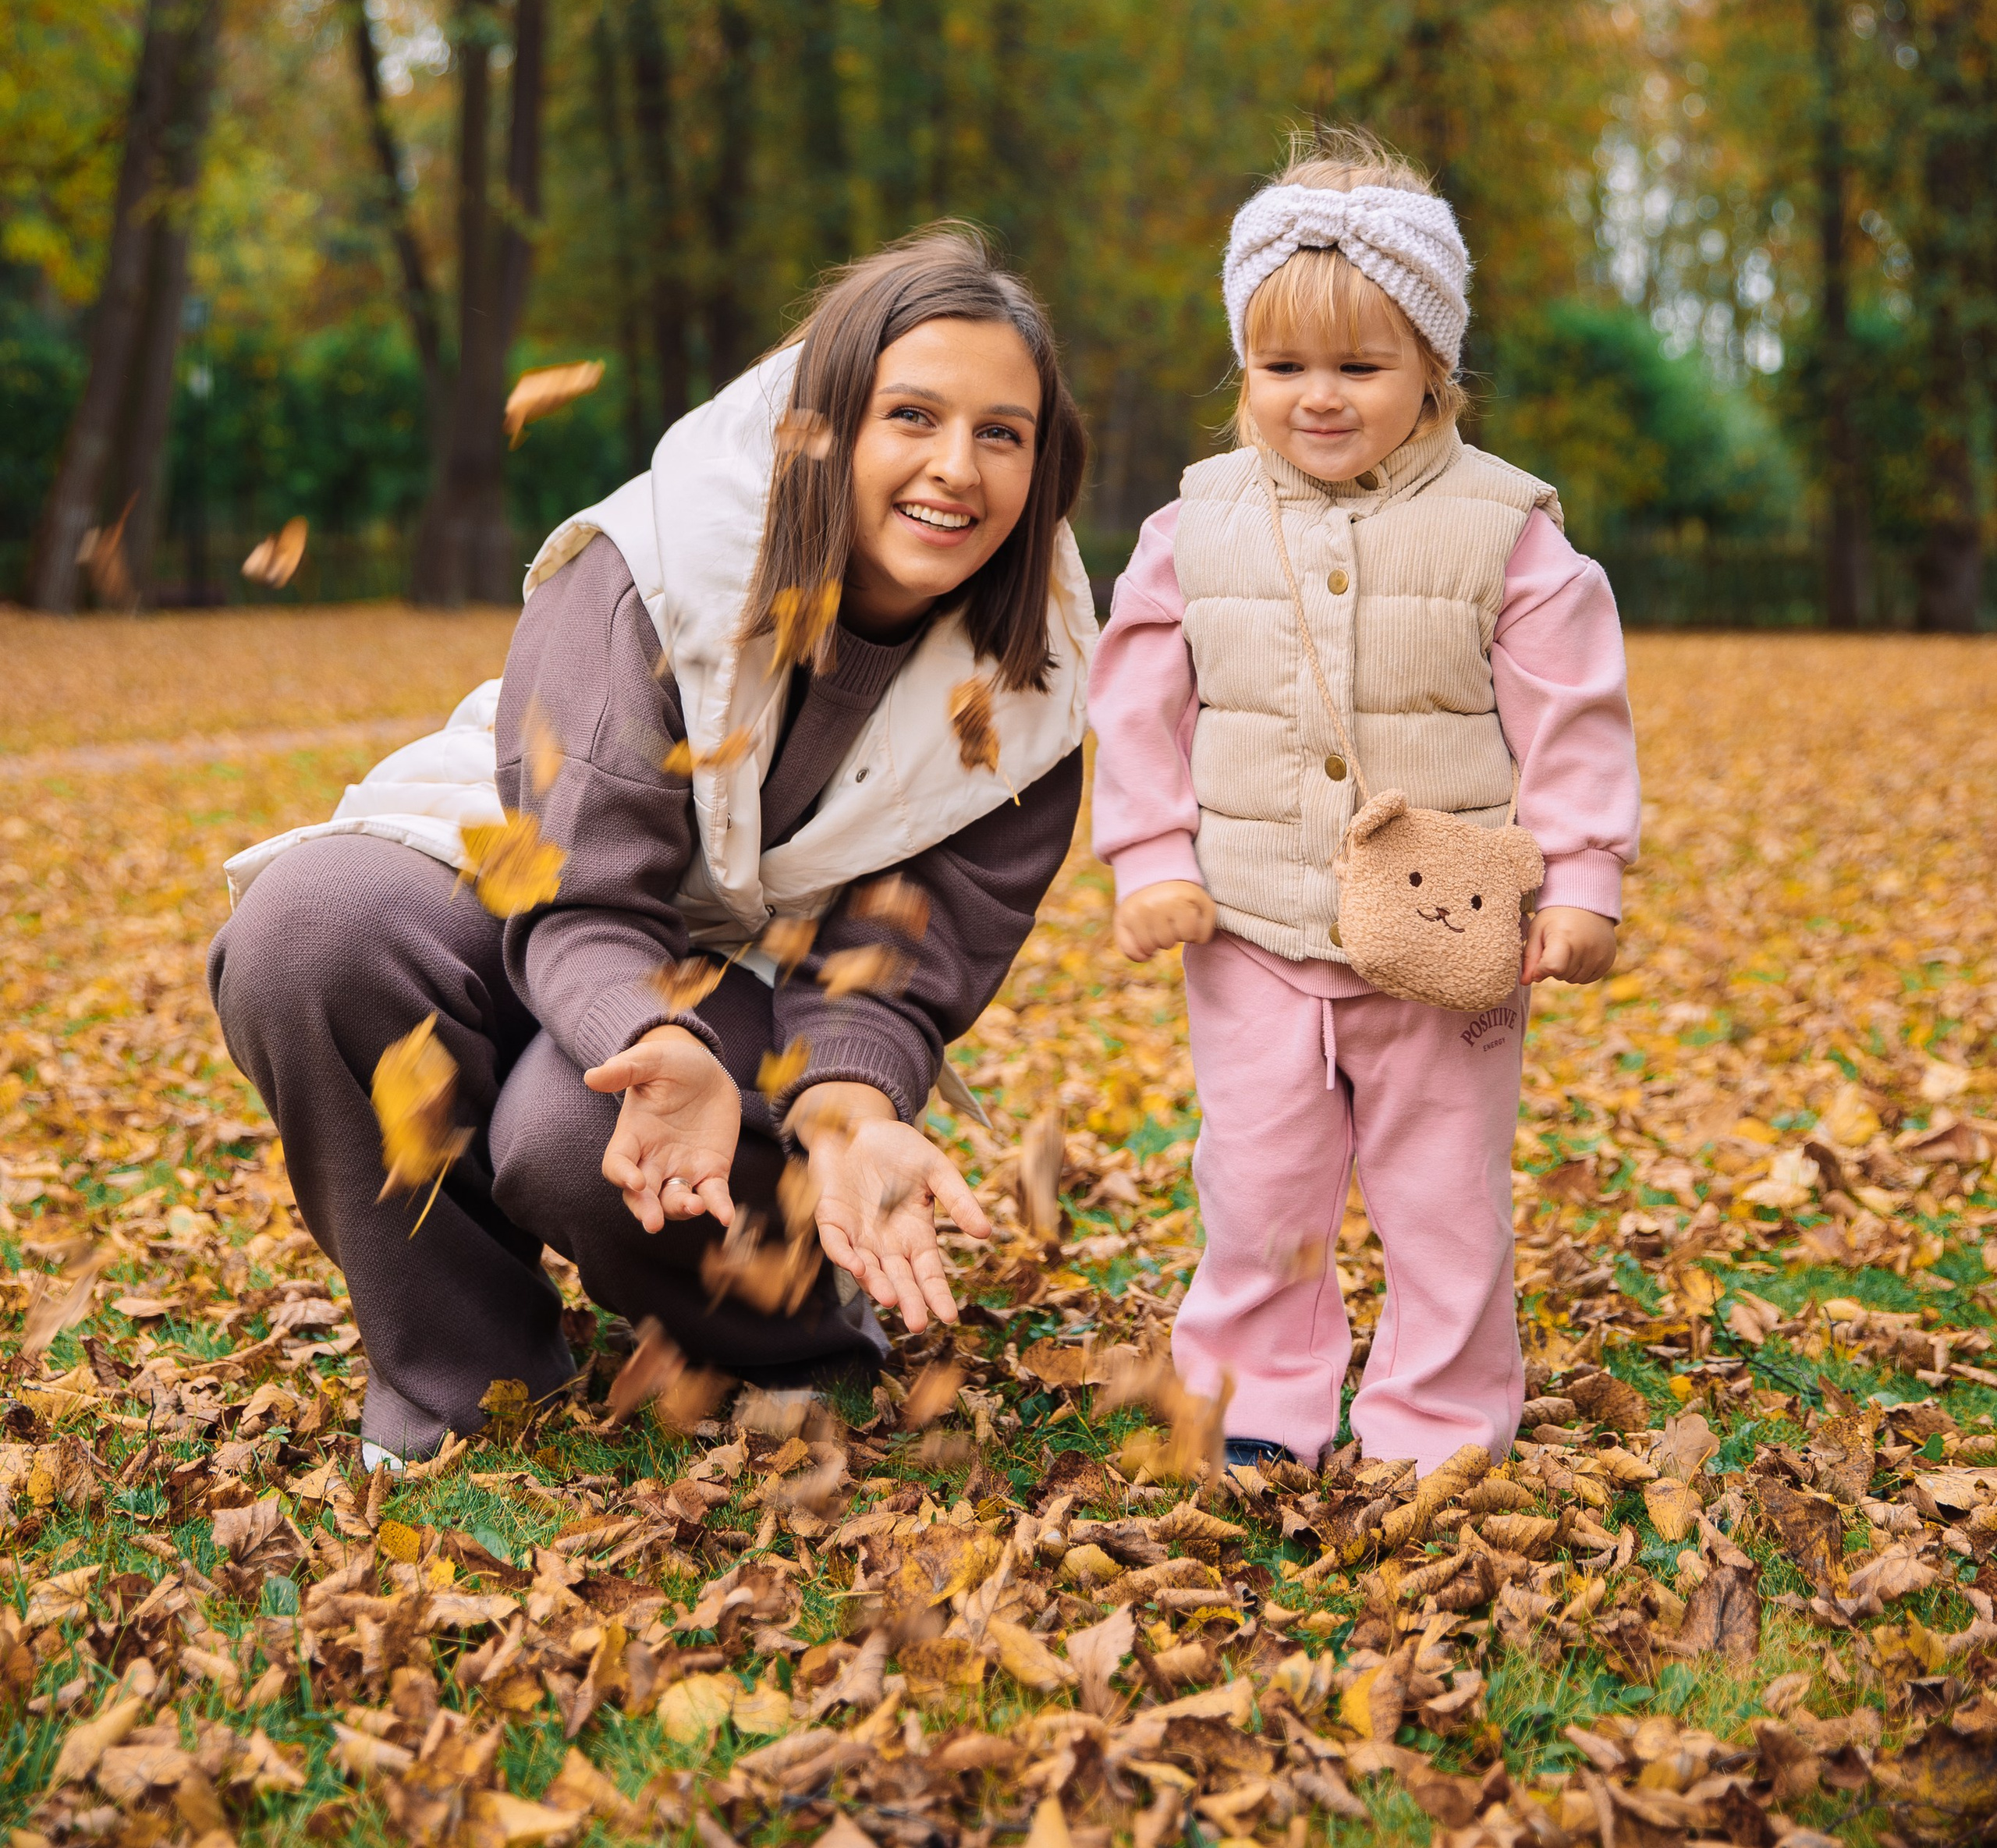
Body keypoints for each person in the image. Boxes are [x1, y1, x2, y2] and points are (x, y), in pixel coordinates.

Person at [211, 232, 1093, 1467]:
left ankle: (798, 1324)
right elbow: (578, 897)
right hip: (556, 884)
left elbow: (891, 976)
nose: (957, 468)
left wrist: (847, 1120)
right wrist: (652, 1039)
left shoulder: (1035, 690)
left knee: (569, 1138)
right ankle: (459, 1373)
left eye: (1003, 433)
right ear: (824, 424)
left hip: (767, 986)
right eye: (913, 416)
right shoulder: (655, 568)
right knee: (312, 928)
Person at [1087, 133, 1640, 1474]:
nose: (1317, 399)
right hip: (1254, 926)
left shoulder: (1510, 534)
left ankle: (1438, 1417)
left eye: (1360, 367)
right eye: (1282, 369)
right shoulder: (1192, 527)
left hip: (1449, 938)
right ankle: (1257, 1399)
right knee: (1259, 1179)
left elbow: (1570, 721)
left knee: (1443, 1195)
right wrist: (1152, 854)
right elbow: (1136, 705)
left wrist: (1581, 883)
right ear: (1243, 370)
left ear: (1434, 368)